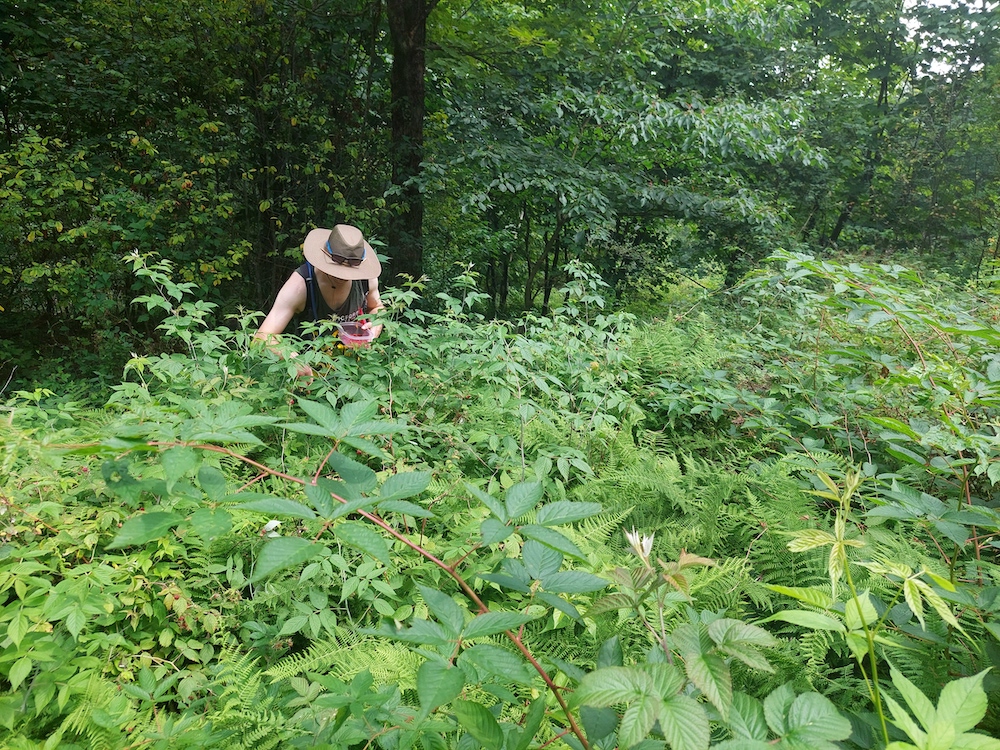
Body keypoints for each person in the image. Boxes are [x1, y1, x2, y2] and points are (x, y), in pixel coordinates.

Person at [255, 224, 384, 376]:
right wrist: (292, 359)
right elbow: (262, 338)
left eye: (351, 268)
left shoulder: (365, 279)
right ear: (325, 255)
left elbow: (377, 307)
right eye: (337, 266)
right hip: (311, 374)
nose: (344, 275)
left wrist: (373, 331)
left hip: (355, 372)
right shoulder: (301, 284)